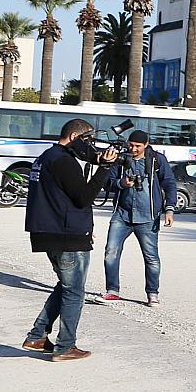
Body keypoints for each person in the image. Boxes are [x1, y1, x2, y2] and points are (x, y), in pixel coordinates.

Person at [23, 118, 119, 361]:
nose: (90, 146)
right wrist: (105, 168)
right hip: (67, 237)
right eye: (87, 140)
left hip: (49, 233)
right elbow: (83, 197)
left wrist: (97, 160)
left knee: (65, 286)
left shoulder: (46, 157)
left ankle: (37, 337)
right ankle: (65, 347)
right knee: (74, 292)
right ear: (75, 137)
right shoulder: (64, 162)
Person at [101, 130, 177, 306]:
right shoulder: (120, 159)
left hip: (148, 216)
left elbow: (170, 183)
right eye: (131, 145)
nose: (133, 149)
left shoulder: (157, 160)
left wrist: (170, 210)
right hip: (122, 214)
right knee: (110, 252)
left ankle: (152, 294)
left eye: (137, 146)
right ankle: (112, 290)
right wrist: (121, 184)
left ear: (146, 144)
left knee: (151, 257)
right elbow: (107, 182)